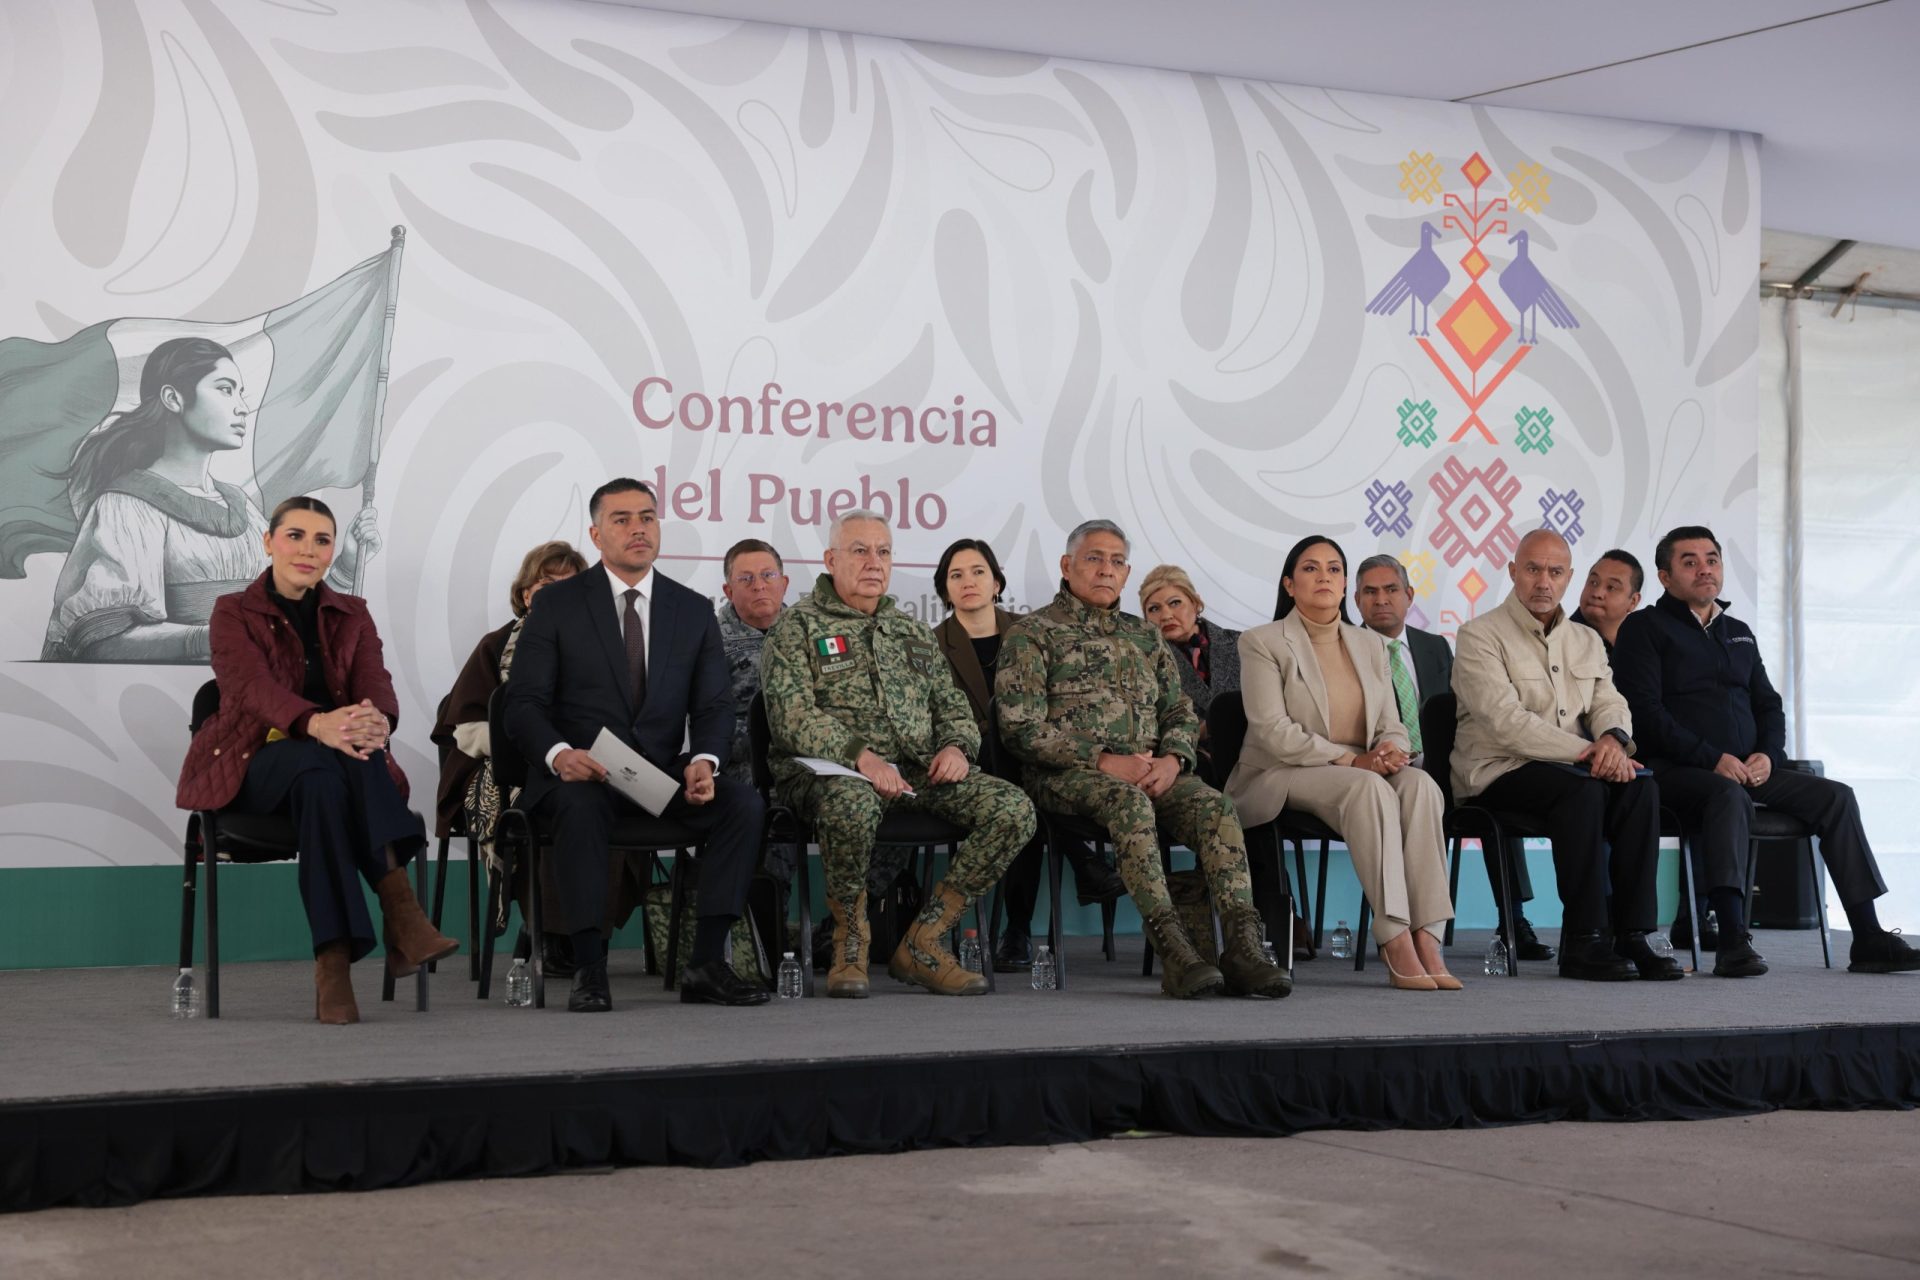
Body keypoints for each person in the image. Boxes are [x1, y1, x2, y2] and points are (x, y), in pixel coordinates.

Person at [176, 496, 455, 1024]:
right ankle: (402, 917)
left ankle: (333, 963)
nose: (308, 549)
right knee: (324, 758)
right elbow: (249, 688)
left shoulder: (353, 613)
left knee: (326, 775)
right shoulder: (232, 611)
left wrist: (378, 720)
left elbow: (374, 680)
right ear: (269, 542)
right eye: (295, 536)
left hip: (331, 772)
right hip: (255, 761)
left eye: (322, 540)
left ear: (332, 552)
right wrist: (316, 723)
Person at [504, 478, 768, 1012]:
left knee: (742, 804)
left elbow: (713, 706)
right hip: (581, 775)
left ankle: (706, 963)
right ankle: (588, 968)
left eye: (647, 517)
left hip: (657, 776)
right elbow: (523, 704)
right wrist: (559, 755)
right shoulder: (556, 605)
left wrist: (705, 761)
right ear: (596, 535)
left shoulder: (690, 609)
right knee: (579, 806)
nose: (638, 528)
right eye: (621, 519)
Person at [998, 519, 1291, 1000]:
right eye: (1094, 558)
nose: (1106, 569)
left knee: (1215, 808)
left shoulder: (1144, 636)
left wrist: (1174, 759)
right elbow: (1020, 728)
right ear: (1067, 566)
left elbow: (1178, 711)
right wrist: (1103, 760)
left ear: (1127, 573)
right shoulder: (1032, 634)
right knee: (1130, 805)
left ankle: (1243, 948)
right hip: (1066, 777)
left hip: (1154, 771)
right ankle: (1177, 954)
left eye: (1117, 561)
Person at [1612, 525, 1918, 976]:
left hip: (1747, 768)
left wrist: (1769, 756)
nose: (1704, 569)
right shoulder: (1645, 628)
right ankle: (1732, 938)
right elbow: (1645, 713)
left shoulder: (1738, 632)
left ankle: (1869, 937)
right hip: (1676, 771)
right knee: (1727, 796)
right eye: (1689, 562)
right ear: (1665, 577)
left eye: (1712, 560)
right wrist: (1712, 759)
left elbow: (1769, 706)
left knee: (1836, 796)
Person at [761, 510, 1034, 998]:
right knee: (852, 802)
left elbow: (951, 705)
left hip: (912, 771)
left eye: (883, 551)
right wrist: (861, 757)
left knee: (1014, 809)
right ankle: (850, 944)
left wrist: (956, 747)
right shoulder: (797, 626)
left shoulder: (910, 631)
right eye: (860, 550)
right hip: (830, 774)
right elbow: (791, 716)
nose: (874, 562)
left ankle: (924, 941)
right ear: (830, 560)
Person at [44, 337, 376, 661]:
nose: (242, 407)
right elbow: (101, 641)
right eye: (225, 389)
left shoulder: (241, 506)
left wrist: (345, 567)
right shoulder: (127, 506)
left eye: (241, 393)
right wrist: (217, 636)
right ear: (173, 398)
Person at [1452, 528, 1681, 982]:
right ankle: (1584, 940)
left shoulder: (1585, 639)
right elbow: (1506, 722)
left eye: (1555, 572)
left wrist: (1612, 740)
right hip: (1499, 771)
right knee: (1585, 793)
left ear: (1568, 578)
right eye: (1533, 569)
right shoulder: (1479, 635)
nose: (1544, 582)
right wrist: (1590, 753)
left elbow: (1609, 702)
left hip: (1572, 769)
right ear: (1513, 572)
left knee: (1640, 788)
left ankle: (1632, 934)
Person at [1231, 538, 1458, 990]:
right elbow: (1273, 732)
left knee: (1420, 786)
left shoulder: (1368, 644)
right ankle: (1394, 936)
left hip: (1359, 768)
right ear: (1289, 584)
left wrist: (1392, 750)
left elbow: (1391, 722)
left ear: (1343, 585)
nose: (1324, 577)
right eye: (1311, 568)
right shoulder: (1262, 642)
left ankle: (1428, 934)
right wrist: (1354, 760)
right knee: (1367, 787)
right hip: (1283, 773)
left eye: (1334, 569)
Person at [931, 536, 1124, 973]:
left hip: (1038, 754)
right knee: (1018, 783)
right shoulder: (932, 644)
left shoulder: (1033, 631)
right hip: (971, 764)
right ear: (945, 590)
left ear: (997, 583)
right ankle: (1078, 865)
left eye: (978, 572)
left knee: (1025, 786)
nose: (968, 582)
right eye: (956, 575)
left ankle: (1017, 932)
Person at [1353, 553, 1554, 963]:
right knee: (1404, 799)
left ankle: (1514, 919)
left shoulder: (1435, 646)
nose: (1381, 599)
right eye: (1370, 592)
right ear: (1356, 601)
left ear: (1409, 595)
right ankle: (1400, 926)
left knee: (1498, 792)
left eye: (1391, 589)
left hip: (1447, 767)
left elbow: (1462, 713)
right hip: (1383, 773)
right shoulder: (1347, 648)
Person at [431, 541, 588, 973]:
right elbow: (465, 728)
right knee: (546, 801)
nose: (559, 595)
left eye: (571, 586)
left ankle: (584, 930)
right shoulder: (496, 645)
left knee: (606, 795)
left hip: (579, 764)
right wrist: (534, 746)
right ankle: (548, 932)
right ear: (525, 594)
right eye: (547, 584)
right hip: (503, 767)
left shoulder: (603, 651)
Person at [1569, 549, 1644, 656]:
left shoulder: (1640, 649)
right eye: (1593, 582)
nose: (1597, 593)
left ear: (1633, 601)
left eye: (1611, 587)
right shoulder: (1560, 639)